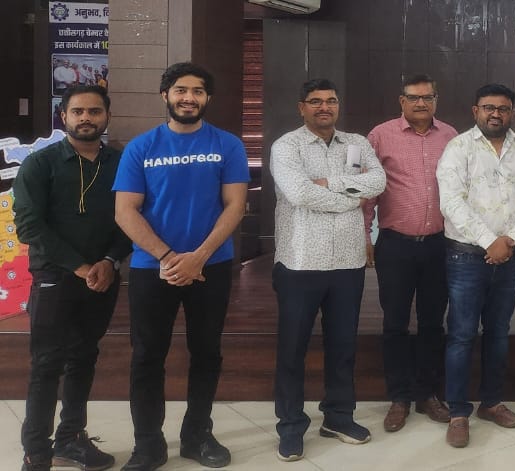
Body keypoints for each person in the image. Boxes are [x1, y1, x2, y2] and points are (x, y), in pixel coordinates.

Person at [113, 62, 249, 471]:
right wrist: (170, 258)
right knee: (146, 356)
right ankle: (148, 445)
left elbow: (235, 205)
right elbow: (125, 211)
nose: (189, 98)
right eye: (180, 90)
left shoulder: (227, 145)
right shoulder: (141, 147)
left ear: (207, 98)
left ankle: (197, 436)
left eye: (197, 91)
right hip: (151, 268)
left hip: (211, 265)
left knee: (206, 352)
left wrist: (198, 257)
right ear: (165, 95)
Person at [15, 84, 130, 471]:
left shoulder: (121, 163)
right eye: (78, 112)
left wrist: (110, 261)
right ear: (63, 117)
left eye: (94, 111)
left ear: (107, 116)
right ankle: (36, 451)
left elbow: (132, 217)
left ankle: (71, 439)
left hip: (103, 276)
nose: (86, 118)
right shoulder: (40, 164)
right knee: (47, 363)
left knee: (84, 356)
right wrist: (81, 267)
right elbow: (29, 226)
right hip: (55, 277)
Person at [270, 79, 386, 461]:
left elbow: (378, 181)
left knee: (343, 347)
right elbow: (299, 193)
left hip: (348, 263)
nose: (324, 107)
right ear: (301, 107)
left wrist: (331, 184)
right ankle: (290, 426)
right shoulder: (287, 146)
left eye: (331, 100)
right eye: (316, 101)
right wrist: (351, 199)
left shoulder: (356, 143)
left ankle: (338, 417)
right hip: (300, 262)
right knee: (292, 349)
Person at [437, 83, 515, 448]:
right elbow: (452, 202)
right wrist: (490, 242)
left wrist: (510, 240)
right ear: (475, 111)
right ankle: (457, 413)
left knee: (499, 332)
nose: (495, 113)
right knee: (461, 334)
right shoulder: (458, 148)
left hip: (508, 257)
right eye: (488, 107)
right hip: (466, 257)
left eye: (502, 108)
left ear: (512, 112)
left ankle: (492, 402)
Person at [364, 74, 458, 432]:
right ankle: (399, 396)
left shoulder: (450, 136)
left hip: (439, 245)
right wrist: (364, 235)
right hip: (395, 245)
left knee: (433, 322)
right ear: (401, 101)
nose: (421, 103)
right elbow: (367, 192)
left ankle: (428, 393)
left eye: (428, 97)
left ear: (436, 100)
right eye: (414, 98)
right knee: (395, 323)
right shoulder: (380, 136)